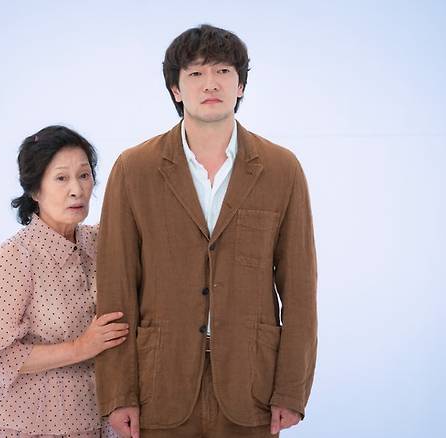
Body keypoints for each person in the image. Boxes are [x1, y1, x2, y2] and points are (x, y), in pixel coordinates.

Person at [95, 24, 318, 437]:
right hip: (159, 384)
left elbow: (300, 288)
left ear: (241, 85)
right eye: (196, 73)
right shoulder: (134, 168)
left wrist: (291, 389)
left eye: (223, 71)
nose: (210, 83)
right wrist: (118, 392)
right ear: (176, 89)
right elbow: (116, 285)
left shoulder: (281, 169)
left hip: (253, 386)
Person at [0, 125, 125, 438]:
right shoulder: (13, 257)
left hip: (98, 416)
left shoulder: (99, 242)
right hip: (31, 422)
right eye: (61, 178)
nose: (77, 190)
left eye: (84, 175)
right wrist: (81, 347)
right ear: (34, 190)